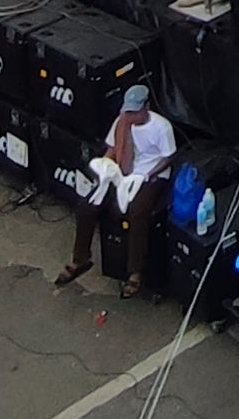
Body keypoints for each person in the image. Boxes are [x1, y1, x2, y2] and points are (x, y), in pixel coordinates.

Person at [56, 84, 177, 294]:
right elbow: (112, 148)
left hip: (151, 175)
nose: (130, 115)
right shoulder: (121, 122)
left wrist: (147, 175)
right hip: (124, 172)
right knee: (87, 206)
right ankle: (80, 258)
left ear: (146, 107)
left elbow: (168, 157)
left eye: (135, 111)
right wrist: (106, 167)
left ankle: (135, 271)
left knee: (137, 212)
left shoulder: (161, 127)